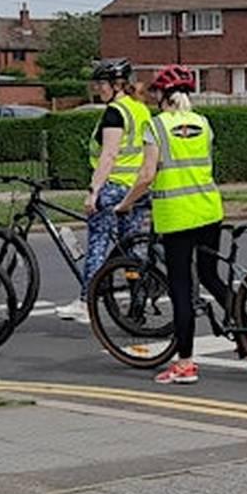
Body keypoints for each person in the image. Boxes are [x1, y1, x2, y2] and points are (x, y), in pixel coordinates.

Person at [117, 64, 227, 385]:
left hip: (177, 216)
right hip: (209, 210)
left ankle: (185, 363)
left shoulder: (157, 127)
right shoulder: (204, 124)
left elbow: (147, 175)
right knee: (210, 275)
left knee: (180, 287)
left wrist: (125, 203)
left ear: (163, 97)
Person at [57, 57, 154, 319]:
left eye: (101, 83)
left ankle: (85, 302)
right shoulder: (140, 109)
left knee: (98, 242)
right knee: (129, 247)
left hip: (115, 187)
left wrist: (94, 191)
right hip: (137, 189)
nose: (98, 89)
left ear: (116, 84)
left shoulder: (115, 113)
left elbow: (109, 155)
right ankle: (137, 301)